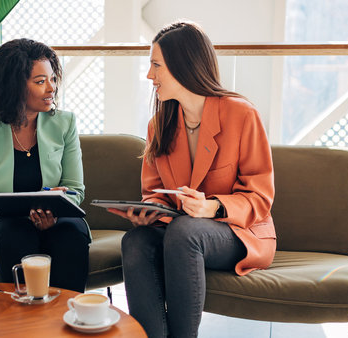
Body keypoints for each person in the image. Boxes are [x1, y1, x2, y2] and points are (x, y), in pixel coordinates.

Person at [108, 21, 276, 337]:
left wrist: (211, 207)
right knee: (136, 241)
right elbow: (153, 191)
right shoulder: (159, 125)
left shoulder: (241, 114)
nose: (149, 76)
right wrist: (149, 212)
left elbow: (260, 195)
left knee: (186, 232)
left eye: (155, 65)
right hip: (178, 230)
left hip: (239, 233)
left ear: (182, 65)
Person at [0, 38, 90, 293]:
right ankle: (23, 322)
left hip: (54, 220)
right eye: (40, 82)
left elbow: (75, 189)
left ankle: (67, 317)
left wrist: (57, 210)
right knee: (16, 232)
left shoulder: (64, 124)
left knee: (71, 231)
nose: (51, 88)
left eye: (53, 79)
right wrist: (26, 219)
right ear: (13, 87)